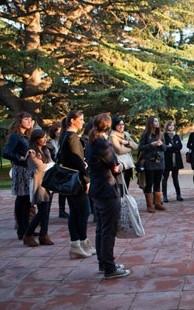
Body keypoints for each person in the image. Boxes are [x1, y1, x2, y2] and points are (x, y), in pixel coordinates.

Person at [85, 113, 131, 279]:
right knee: (108, 230)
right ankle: (110, 267)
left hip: (98, 189)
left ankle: (103, 263)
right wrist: (120, 166)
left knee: (101, 228)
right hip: (106, 189)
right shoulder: (101, 143)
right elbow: (115, 166)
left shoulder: (92, 141)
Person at [60, 110, 94, 259]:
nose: (82, 122)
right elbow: (77, 160)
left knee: (76, 212)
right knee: (83, 212)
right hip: (76, 180)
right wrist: (86, 179)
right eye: (80, 119)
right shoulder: (72, 137)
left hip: (70, 180)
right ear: (72, 121)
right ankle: (78, 243)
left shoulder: (65, 136)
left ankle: (80, 243)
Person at [2, 112, 34, 240]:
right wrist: (19, 158)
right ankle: (22, 230)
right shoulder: (16, 136)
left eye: (30, 120)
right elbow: (6, 152)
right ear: (19, 121)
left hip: (27, 170)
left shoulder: (26, 136)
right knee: (22, 200)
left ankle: (26, 229)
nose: (29, 122)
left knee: (27, 201)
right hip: (20, 171)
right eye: (26, 119)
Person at [22, 129, 54, 247]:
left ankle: (44, 235)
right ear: (36, 139)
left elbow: (50, 164)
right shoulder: (31, 153)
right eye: (42, 137)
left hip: (47, 184)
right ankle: (28, 234)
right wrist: (51, 165)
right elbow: (40, 167)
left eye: (45, 137)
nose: (45, 139)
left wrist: (50, 165)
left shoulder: (45, 151)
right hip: (38, 184)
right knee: (42, 211)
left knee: (46, 211)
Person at [139, 116, 166, 213]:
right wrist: (151, 145)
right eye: (155, 121)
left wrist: (161, 144)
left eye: (158, 121)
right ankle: (150, 205)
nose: (157, 123)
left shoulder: (161, 134)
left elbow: (165, 148)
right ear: (151, 123)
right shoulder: (146, 134)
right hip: (149, 162)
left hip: (160, 162)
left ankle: (158, 203)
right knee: (149, 183)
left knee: (158, 183)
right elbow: (140, 147)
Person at [109, 117, 138, 192]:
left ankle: (124, 201)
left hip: (128, 164)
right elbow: (119, 150)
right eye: (119, 125)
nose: (121, 126)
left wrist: (127, 143)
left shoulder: (126, 135)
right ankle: (120, 202)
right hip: (120, 164)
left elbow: (136, 146)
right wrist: (129, 148)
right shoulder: (113, 136)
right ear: (114, 126)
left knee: (126, 186)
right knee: (120, 186)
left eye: (122, 124)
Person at [47, 122, 68, 219]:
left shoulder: (63, 142)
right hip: (53, 168)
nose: (60, 133)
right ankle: (46, 211)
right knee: (50, 191)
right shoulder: (49, 144)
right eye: (58, 131)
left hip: (62, 168)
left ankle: (62, 210)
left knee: (63, 190)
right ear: (54, 132)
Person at [162, 120, 184, 202]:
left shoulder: (176, 136)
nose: (171, 127)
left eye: (173, 126)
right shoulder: (164, 136)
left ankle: (178, 195)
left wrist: (172, 146)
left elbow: (180, 146)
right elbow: (165, 147)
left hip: (176, 160)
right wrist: (172, 147)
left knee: (175, 178)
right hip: (167, 160)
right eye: (170, 125)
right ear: (167, 127)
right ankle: (164, 196)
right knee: (165, 178)